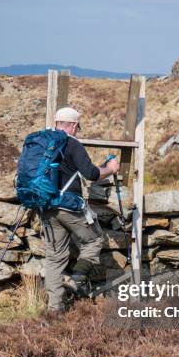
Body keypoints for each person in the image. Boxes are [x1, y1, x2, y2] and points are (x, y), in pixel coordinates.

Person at [44, 106, 120, 314]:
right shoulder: (72, 143)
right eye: (78, 127)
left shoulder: (43, 142)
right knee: (94, 239)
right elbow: (91, 174)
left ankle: (54, 310)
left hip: (46, 207)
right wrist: (111, 169)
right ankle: (76, 282)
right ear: (74, 125)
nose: (78, 131)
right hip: (69, 205)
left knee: (54, 258)